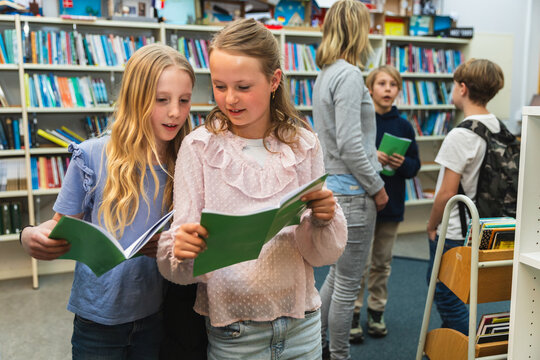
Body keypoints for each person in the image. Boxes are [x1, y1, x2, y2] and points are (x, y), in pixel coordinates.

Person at [157, 18, 347, 360]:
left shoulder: (304, 145)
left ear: (274, 80)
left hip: (301, 323)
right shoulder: (199, 149)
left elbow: (320, 255)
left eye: (243, 87)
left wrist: (324, 218)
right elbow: (179, 261)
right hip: (234, 331)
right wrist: (182, 250)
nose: (230, 99)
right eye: (219, 86)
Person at [19, 43, 207, 359]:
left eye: (184, 100)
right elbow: (58, 227)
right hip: (96, 320)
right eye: (161, 100)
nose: (175, 111)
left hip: (154, 315)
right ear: (135, 99)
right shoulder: (91, 155)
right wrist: (28, 236)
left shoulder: (185, 160)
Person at [312, 0, 389, 358]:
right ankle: (337, 354)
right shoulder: (348, 75)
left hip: (335, 187)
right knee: (347, 284)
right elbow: (349, 143)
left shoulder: (327, 73)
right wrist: (377, 186)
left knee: (335, 277)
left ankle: (317, 346)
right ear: (357, 29)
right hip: (354, 193)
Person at [426, 58, 504, 335]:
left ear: (462, 88)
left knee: (445, 291)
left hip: (456, 230)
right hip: (489, 226)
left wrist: (432, 224)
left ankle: (465, 346)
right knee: (462, 289)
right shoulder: (499, 127)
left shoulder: (461, 134)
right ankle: (448, 348)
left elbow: (447, 193)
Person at [349, 65, 420, 343]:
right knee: (359, 264)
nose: (388, 88)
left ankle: (376, 311)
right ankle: (353, 313)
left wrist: (403, 164)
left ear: (398, 90)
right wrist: (371, 157)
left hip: (392, 206)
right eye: (382, 83)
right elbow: (350, 160)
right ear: (370, 89)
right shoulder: (361, 123)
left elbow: (414, 166)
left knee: (382, 262)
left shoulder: (404, 126)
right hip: (363, 203)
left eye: (393, 84)